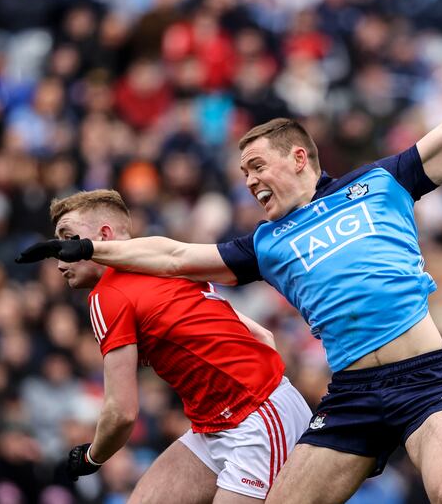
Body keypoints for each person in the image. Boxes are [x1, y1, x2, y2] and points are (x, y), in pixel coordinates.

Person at [17, 0, 442, 503]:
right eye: (243, 173)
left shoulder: (380, 183)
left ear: (298, 158)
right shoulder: (266, 243)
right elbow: (175, 256)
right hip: (352, 396)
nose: (249, 181)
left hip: (423, 379)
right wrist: (90, 249)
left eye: (256, 166)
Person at [27, 190, 312, 503]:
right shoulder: (163, 265)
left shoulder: (107, 295)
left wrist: (91, 457)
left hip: (256, 418)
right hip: (220, 422)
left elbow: (121, 413)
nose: (59, 261)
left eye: (67, 239)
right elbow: (262, 336)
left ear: (104, 235)